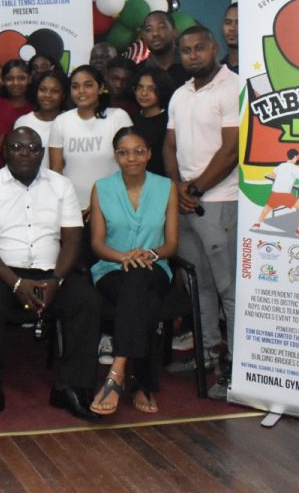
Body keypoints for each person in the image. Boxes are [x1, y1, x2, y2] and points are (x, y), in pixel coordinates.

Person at [0, 127, 101, 426]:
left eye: (31, 148)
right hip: (1, 271)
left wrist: (56, 280)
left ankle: (71, 388)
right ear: (6, 152)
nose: (24, 153)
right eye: (16, 147)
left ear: (41, 153)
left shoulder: (62, 185)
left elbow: (73, 239)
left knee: (86, 302)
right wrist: (14, 281)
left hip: (53, 271)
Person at [163, 25, 239, 401]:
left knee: (228, 288)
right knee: (200, 286)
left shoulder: (233, 87)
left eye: (199, 48)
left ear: (214, 48)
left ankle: (237, 368)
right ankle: (208, 355)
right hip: (187, 200)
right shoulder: (179, 94)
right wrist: (176, 187)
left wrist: (193, 189)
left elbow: (231, 149)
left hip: (222, 199)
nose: (193, 55)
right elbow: (170, 144)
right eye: (186, 50)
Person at [87, 127, 179, 416]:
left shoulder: (166, 187)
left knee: (139, 277)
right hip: (111, 269)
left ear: (149, 154)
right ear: (116, 156)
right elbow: (97, 244)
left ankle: (117, 371)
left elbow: (172, 244)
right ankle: (142, 382)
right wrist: (124, 256)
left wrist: (148, 254)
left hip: (155, 267)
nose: (132, 158)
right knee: (145, 299)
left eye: (139, 151)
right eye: (124, 153)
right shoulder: (101, 188)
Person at [48, 65, 133, 213]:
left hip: (113, 206)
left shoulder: (118, 117)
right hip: (73, 209)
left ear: (100, 88)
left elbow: (131, 166)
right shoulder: (61, 121)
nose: (81, 91)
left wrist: (101, 204)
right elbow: (56, 172)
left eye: (88, 85)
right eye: (75, 86)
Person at [14, 70, 67, 172]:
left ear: (63, 95)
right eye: (43, 90)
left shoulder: (69, 121)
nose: (47, 95)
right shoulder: (23, 122)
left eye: (55, 91)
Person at [131, 69, 174, 176]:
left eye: (151, 89)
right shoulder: (131, 119)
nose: (144, 93)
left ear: (162, 90)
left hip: (162, 180)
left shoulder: (169, 120)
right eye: (140, 87)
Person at [139, 12, 190, 87]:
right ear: (143, 36)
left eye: (161, 27)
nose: (155, 33)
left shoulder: (191, 64)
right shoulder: (138, 71)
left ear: (175, 32)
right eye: (149, 29)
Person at [220, 3, 238, 74]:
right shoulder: (216, 70)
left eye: (238, 23)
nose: (232, 28)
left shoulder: (257, 68)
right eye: (228, 22)